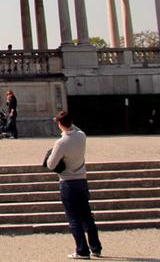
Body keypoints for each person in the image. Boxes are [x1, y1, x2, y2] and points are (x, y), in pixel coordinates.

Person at [47, 111, 102, 259]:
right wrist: (66, 122)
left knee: (73, 218)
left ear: (59, 124)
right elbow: (75, 129)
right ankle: (95, 248)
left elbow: (51, 164)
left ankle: (82, 251)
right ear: (71, 122)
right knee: (87, 216)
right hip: (82, 180)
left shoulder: (61, 142)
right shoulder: (81, 136)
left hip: (68, 182)